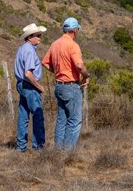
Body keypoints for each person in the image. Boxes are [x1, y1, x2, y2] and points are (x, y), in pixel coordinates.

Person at [42, 17, 90, 150]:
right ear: (74, 30)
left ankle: (58, 151)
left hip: (59, 86)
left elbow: (45, 62)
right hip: (71, 86)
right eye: (77, 29)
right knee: (74, 121)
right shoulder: (73, 45)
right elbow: (79, 65)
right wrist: (87, 75)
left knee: (61, 120)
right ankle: (66, 152)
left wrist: (58, 72)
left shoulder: (54, 44)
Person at [14, 23, 47, 152]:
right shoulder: (28, 50)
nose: (40, 38)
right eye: (38, 35)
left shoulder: (22, 49)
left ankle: (21, 147)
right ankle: (38, 147)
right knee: (37, 115)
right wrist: (39, 87)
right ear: (29, 37)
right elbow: (28, 73)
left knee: (23, 116)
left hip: (21, 85)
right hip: (29, 86)